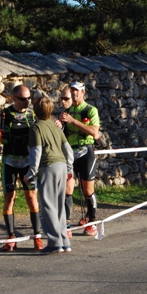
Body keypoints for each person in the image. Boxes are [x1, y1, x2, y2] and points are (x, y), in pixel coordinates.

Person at [0, 85, 43, 251]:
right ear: (14, 98)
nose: (27, 102)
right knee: (9, 198)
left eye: (28, 99)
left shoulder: (33, 114)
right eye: (23, 99)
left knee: (31, 197)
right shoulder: (3, 114)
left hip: (27, 162)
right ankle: (11, 237)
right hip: (9, 161)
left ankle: (37, 237)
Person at [24, 96, 74, 254]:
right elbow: (68, 150)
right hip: (61, 167)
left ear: (35, 110)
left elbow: (36, 152)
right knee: (60, 206)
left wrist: (31, 172)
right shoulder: (55, 126)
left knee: (48, 206)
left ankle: (54, 242)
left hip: (48, 167)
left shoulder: (36, 127)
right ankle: (65, 241)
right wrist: (69, 168)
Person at [58, 80, 100, 236]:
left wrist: (73, 121)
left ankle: (92, 222)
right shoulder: (66, 111)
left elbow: (95, 132)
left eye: (77, 90)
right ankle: (67, 225)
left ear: (83, 93)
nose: (74, 93)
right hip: (69, 153)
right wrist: (58, 123)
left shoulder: (90, 110)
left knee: (88, 190)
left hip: (85, 152)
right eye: (72, 90)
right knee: (67, 189)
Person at [54, 87, 75, 238]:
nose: (62, 101)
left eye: (66, 99)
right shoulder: (58, 115)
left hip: (75, 154)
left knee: (69, 190)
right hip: (59, 158)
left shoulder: (78, 112)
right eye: (61, 98)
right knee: (58, 192)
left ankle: (69, 223)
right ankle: (60, 222)